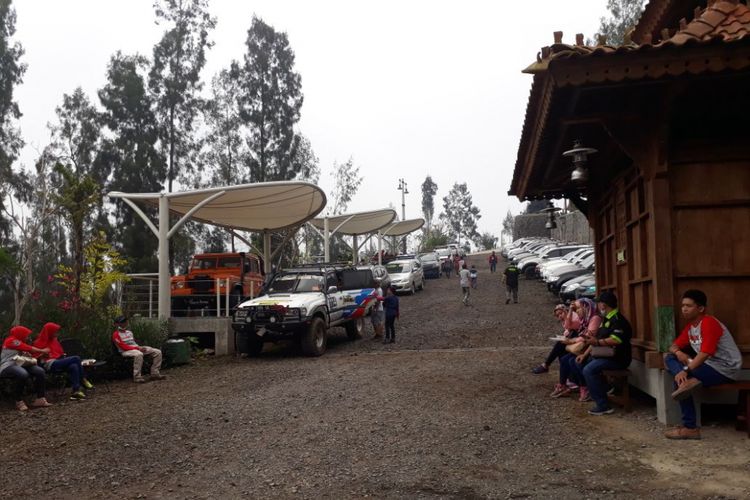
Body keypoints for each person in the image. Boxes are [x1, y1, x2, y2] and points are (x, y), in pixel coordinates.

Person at [663, 289, 742, 440]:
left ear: (700, 308)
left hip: (725, 369)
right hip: (708, 366)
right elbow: (673, 346)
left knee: (679, 378)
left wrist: (685, 370)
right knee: (670, 357)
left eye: (689, 306)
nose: (684, 309)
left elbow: (705, 353)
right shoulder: (691, 327)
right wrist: (680, 354)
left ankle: (690, 428)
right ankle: (685, 383)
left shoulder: (709, 323)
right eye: (683, 305)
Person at [568, 291, 632, 416]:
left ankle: (603, 405)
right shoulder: (606, 319)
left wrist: (597, 342)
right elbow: (595, 340)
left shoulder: (617, 320)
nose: (597, 306)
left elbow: (616, 339)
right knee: (580, 363)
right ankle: (601, 392)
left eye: (599, 303)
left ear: (603, 305)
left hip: (618, 359)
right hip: (605, 355)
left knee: (589, 370)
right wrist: (584, 355)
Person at [549, 298, 601, 397]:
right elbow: (569, 327)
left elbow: (587, 336)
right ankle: (565, 384)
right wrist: (570, 311)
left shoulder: (594, 318)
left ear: (586, 307)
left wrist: (571, 341)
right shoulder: (585, 319)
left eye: (578, 308)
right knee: (565, 359)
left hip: (591, 349)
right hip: (585, 348)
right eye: (575, 309)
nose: (576, 311)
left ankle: (584, 387)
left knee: (572, 360)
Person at [33, 322, 93, 400]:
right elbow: (35, 357)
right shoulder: (38, 342)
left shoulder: (54, 341)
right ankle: (83, 379)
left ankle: (76, 391)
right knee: (76, 358)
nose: (56, 333)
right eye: (55, 332)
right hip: (49, 364)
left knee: (73, 366)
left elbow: (60, 352)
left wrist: (63, 356)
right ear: (50, 332)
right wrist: (42, 355)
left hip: (59, 361)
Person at [0, 326, 53, 411]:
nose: (27, 337)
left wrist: (40, 355)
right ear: (20, 334)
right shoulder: (11, 340)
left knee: (40, 371)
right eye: (26, 335)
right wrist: (42, 351)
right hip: (8, 365)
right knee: (23, 374)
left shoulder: (21, 342)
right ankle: (18, 400)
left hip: (21, 364)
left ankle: (40, 398)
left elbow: (27, 355)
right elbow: (29, 348)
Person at [112, 315, 166, 383]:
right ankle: (137, 377)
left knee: (157, 352)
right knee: (138, 354)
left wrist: (140, 348)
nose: (124, 323)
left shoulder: (129, 332)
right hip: (125, 351)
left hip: (136, 349)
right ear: (117, 324)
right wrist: (138, 348)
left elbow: (133, 343)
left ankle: (155, 373)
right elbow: (123, 347)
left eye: (125, 321)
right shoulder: (115, 334)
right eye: (122, 322)